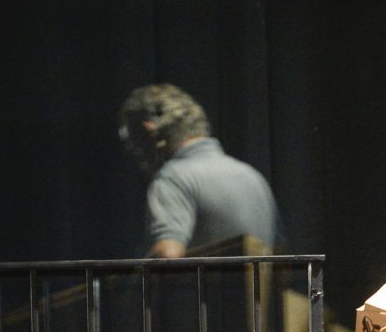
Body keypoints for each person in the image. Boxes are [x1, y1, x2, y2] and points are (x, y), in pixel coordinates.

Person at [118, 84, 279, 258]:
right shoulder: (253, 177)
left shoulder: (173, 178)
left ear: (148, 130)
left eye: (134, 144)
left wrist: (132, 282)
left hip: (206, 287)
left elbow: (167, 255)